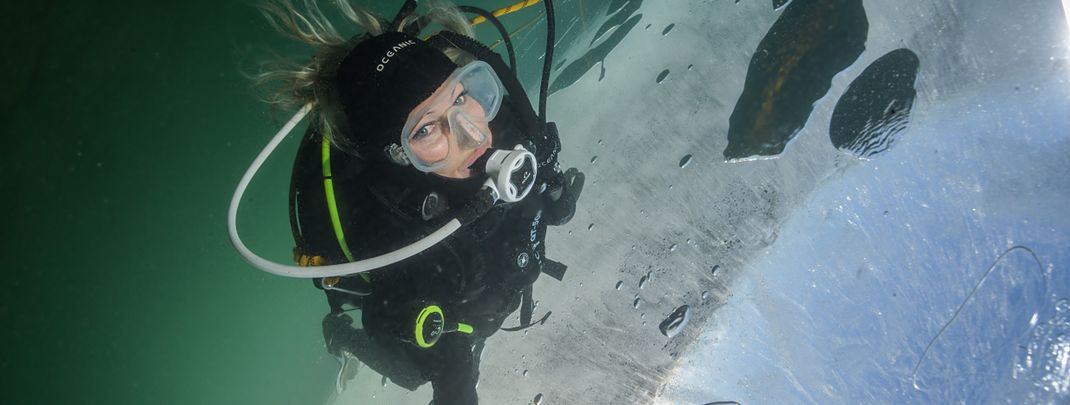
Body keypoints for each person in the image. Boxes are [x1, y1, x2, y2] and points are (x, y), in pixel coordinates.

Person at [234, 1, 583, 403]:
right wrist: (453, 375)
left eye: (462, 96)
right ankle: (342, 337)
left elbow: (539, 191)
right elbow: (391, 316)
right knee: (414, 372)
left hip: (502, 274)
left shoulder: (507, 125)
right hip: (455, 317)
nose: (472, 134)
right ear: (397, 153)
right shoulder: (390, 227)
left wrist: (554, 197)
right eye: (427, 128)